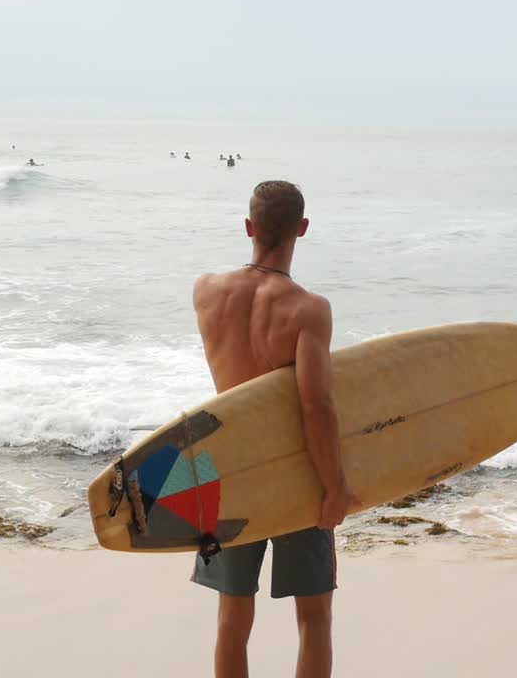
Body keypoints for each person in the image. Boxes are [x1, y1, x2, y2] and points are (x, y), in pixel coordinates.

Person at [191, 180, 359, 678]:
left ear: (248, 228)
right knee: (314, 618)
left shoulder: (205, 291)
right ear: (302, 229)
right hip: (293, 475)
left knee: (231, 619)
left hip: (226, 471)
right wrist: (335, 488)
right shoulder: (308, 310)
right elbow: (317, 407)